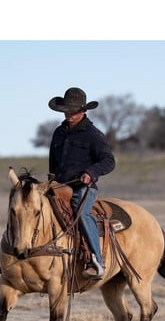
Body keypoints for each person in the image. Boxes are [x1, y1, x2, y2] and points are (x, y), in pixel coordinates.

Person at [47, 87, 115, 279]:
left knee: (81, 214)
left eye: (73, 111)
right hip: (59, 187)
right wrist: (51, 181)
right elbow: (53, 162)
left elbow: (109, 161)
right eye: (66, 110)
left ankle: (97, 262)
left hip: (82, 188)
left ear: (83, 111)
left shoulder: (93, 134)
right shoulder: (58, 133)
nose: (68, 114)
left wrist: (90, 173)